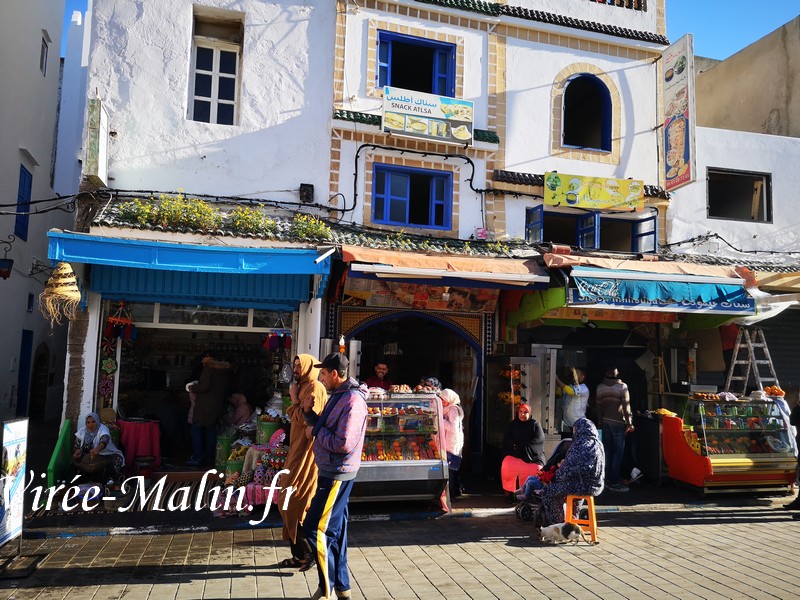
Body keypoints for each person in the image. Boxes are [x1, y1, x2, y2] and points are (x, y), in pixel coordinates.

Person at [303, 353, 368, 600]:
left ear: (334, 373)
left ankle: (327, 587)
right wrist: (310, 415)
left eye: (323, 373)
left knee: (315, 529)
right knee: (337, 531)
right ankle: (342, 587)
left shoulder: (352, 400)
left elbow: (343, 442)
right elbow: (324, 428)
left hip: (337, 472)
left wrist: (315, 434)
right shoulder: (339, 396)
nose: (320, 378)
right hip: (330, 469)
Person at [276, 354, 328, 572]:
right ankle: (299, 556)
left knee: (293, 503)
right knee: (287, 502)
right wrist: (296, 399)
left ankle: (308, 554)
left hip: (306, 455)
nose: (296, 369)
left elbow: (309, 421)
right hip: (296, 451)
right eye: (295, 365)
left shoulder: (315, 388)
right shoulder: (302, 387)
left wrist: (295, 399)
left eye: (300, 366)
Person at [540, 418, 605, 526]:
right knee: (573, 492)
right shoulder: (598, 444)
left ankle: (559, 526)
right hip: (595, 486)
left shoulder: (581, 445)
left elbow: (568, 469)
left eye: (574, 430)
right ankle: (573, 521)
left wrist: (555, 477)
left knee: (548, 491)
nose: (573, 433)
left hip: (582, 486)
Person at [188, 352, 231, 468]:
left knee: (196, 429)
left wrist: (193, 387)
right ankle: (209, 458)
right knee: (211, 432)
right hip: (216, 406)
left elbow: (205, 386)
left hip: (204, 406)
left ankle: (197, 457)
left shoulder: (209, 368)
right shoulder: (224, 371)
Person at [596, 366, 634, 492]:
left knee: (606, 452)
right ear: (617, 374)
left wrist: (600, 422)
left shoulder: (600, 387)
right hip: (618, 423)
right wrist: (629, 424)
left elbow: (599, 407)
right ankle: (614, 482)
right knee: (618, 454)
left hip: (605, 422)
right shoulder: (622, 387)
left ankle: (605, 480)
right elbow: (626, 407)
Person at [501, 403, 545, 495]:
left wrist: (525, 447)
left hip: (531, 457)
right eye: (521, 412)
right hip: (515, 454)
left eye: (525, 412)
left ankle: (531, 494)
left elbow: (539, 440)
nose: (522, 414)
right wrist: (516, 447)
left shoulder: (535, 425)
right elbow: (507, 439)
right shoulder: (512, 425)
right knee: (507, 465)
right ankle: (510, 495)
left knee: (537, 468)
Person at [73, 412, 125, 481]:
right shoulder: (82, 431)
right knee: (74, 463)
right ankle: (73, 484)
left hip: (107, 454)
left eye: (93, 422)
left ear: (97, 421)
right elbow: (77, 445)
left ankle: (109, 484)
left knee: (114, 462)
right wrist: (78, 451)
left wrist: (97, 449)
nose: (90, 425)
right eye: (88, 423)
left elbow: (104, 440)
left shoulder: (103, 429)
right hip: (89, 457)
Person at [439, 388, 465, 498]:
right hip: (449, 442)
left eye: (444, 400)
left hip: (452, 444)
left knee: (451, 471)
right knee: (451, 470)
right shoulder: (447, 409)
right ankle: (453, 493)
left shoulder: (453, 410)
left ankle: (452, 496)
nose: (442, 402)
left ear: (449, 400)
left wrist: (440, 420)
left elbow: (453, 428)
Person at [557, 366, 590, 434]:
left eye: (576, 373)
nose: (574, 374)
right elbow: (560, 392)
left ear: (582, 377)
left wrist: (557, 379)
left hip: (578, 422)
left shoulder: (583, 388)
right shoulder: (571, 386)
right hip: (567, 423)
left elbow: (571, 392)